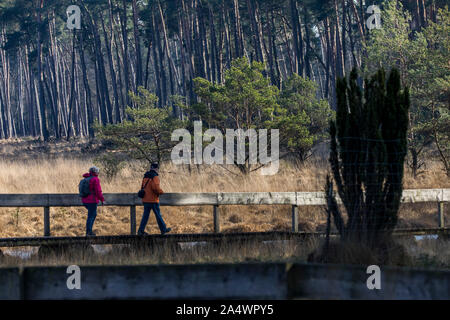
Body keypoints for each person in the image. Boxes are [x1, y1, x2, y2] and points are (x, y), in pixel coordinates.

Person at [138, 163, 171, 236]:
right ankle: (163, 229)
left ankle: (140, 231)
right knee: (158, 215)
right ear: (156, 169)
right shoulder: (155, 177)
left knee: (145, 216)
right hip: (153, 200)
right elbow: (155, 188)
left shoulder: (145, 176)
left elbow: (142, 187)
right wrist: (161, 192)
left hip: (145, 200)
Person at [81, 166, 105, 236]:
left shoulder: (85, 179)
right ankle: (89, 232)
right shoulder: (95, 179)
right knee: (91, 215)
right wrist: (102, 199)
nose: (98, 172)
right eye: (97, 171)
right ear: (95, 172)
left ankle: (89, 231)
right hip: (92, 201)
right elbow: (98, 191)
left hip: (84, 201)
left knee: (92, 215)